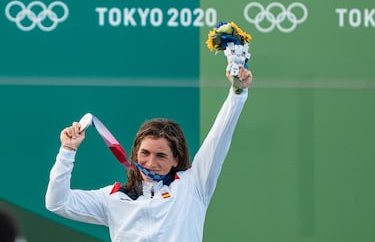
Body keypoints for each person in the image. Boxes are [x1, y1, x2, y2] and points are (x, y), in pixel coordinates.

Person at [45, 67, 252, 242]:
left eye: (161, 155)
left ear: (176, 160)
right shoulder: (113, 198)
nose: (151, 162)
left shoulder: (194, 185)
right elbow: (57, 202)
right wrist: (68, 150)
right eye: (145, 153)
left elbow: (219, 137)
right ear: (135, 154)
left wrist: (237, 94)